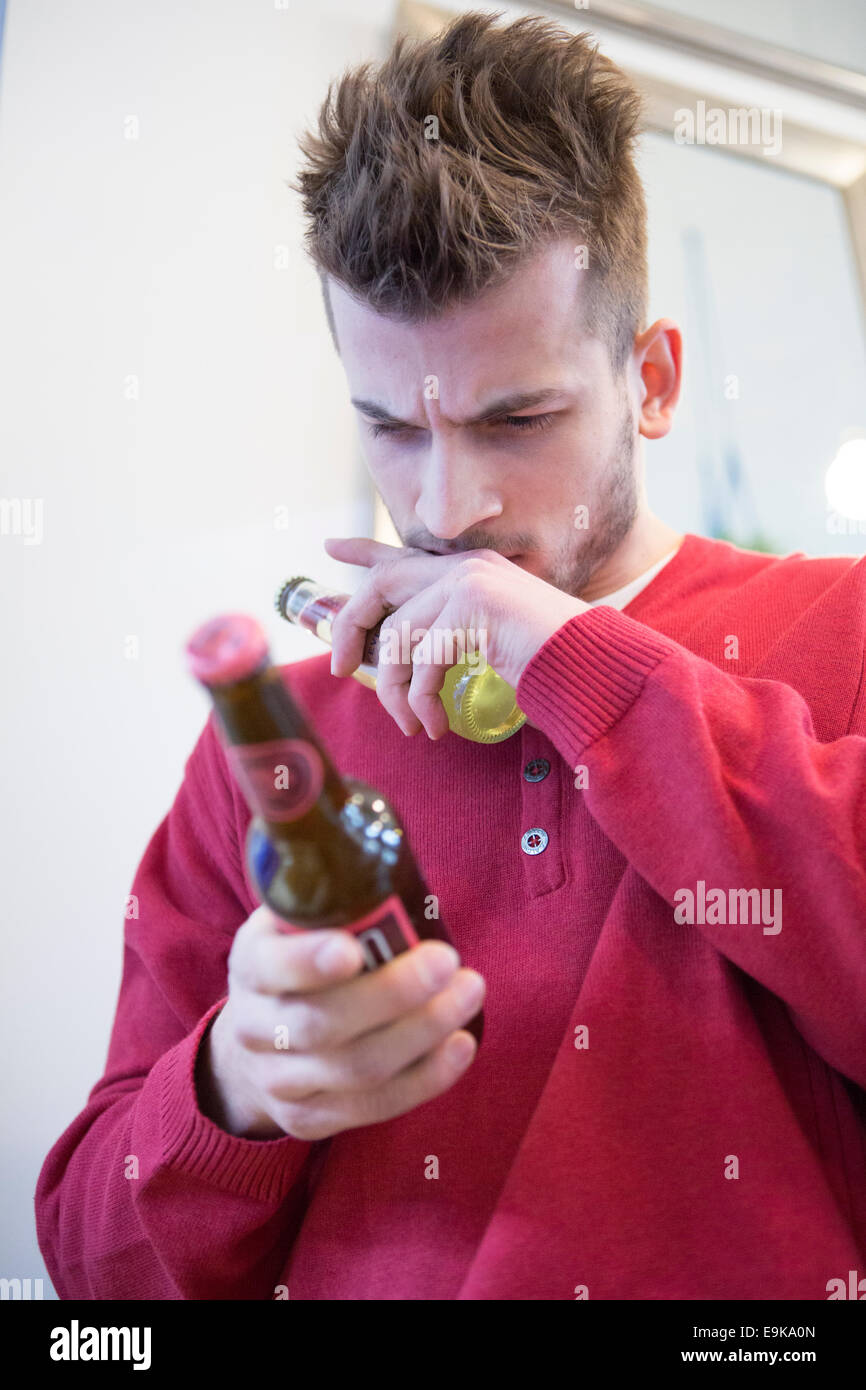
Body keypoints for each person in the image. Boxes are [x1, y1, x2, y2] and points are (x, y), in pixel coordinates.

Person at [36, 11, 866, 1301]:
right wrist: (236, 1090)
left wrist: (573, 660)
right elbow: (92, 1282)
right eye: (390, 426)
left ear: (649, 381)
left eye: (519, 418)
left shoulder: (845, 630)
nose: (448, 506)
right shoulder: (275, 742)